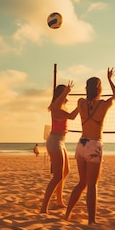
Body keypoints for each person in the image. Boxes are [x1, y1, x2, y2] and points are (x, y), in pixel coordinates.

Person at [65, 68, 115, 224]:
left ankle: (67, 214)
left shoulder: (80, 102)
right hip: (94, 144)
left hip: (81, 144)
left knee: (82, 182)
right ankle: (91, 220)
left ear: (86, 89)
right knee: (92, 185)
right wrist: (110, 79)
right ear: (100, 89)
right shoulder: (103, 104)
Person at [40, 81, 79, 214]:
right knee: (57, 176)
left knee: (65, 172)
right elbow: (71, 116)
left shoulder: (61, 106)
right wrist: (67, 92)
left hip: (61, 141)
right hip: (54, 141)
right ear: (60, 95)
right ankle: (44, 207)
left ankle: (59, 200)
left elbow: (72, 115)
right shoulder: (55, 107)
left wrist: (80, 105)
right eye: (64, 94)